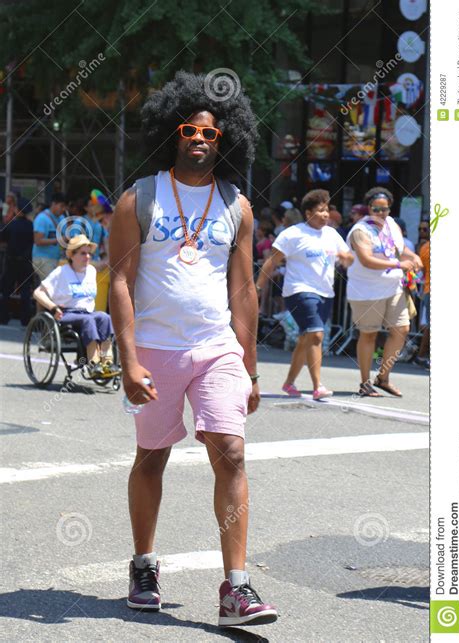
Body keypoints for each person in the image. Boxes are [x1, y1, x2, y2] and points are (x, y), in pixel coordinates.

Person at [108, 71, 277, 627]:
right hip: (154, 349)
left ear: (227, 139)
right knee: (151, 458)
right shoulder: (140, 198)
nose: (199, 138)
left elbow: (244, 290)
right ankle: (143, 564)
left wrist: (249, 366)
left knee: (230, 450)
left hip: (216, 348)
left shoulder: (238, 206)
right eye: (189, 129)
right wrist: (128, 359)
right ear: (171, 134)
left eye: (211, 133)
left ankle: (237, 587)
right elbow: (121, 283)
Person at [256, 189, 353, 399]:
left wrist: (346, 258)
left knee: (305, 338)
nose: (326, 214)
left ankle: (289, 383)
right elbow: (272, 261)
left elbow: (348, 257)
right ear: (308, 213)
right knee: (316, 334)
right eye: (320, 210)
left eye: (327, 210)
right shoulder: (293, 234)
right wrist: (257, 288)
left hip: (325, 293)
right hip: (298, 291)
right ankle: (318, 386)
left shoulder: (332, 234)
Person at [346, 187, 422, 397]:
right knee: (368, 335)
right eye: (376, 208)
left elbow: (399, 250)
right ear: (368, 207)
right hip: (367, 291)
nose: (381, 212)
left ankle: (383, 377)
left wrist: (412, 256)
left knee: (402, 329)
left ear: (390, 208)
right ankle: (365, 383)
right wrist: (400, 264)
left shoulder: (392, 224)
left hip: (394, 287)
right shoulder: (360, 230)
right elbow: (367, 260)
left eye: (385, 208)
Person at [33, 234, 120, 379]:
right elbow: (38, 293)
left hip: (86, 313)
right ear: (72, 255)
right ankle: (94, 363)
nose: (87, 257)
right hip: (66, 313)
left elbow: (106, 264)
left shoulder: (91, 271)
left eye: (89, 254)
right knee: (89, 321)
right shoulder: (61, 272)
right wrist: (53, 307)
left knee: (105, 317)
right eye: (83, 253)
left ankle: (107, 363)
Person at [0, 206, 34, 325]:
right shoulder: (31, 225)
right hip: (26, 262)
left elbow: (3, 238)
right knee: (25, 290)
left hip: (11, 261)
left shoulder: (12, 225)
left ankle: (3, 317)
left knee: (6, 290)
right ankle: (25, 319)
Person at [32, 193, 67, 282]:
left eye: (64, 207)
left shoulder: (62, 218)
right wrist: (59, 239)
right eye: (61, 206)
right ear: (53, 204)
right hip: (42, 259)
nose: (63, 209)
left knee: (52, 288)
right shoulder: (42, 218)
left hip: (56, 258)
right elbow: (38, 241)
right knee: (51, 286)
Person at [415, 239, 430, 369]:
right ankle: (421, 356)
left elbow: (423, 271)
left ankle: (421, 356)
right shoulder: (427, 248)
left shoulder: (425, 247)